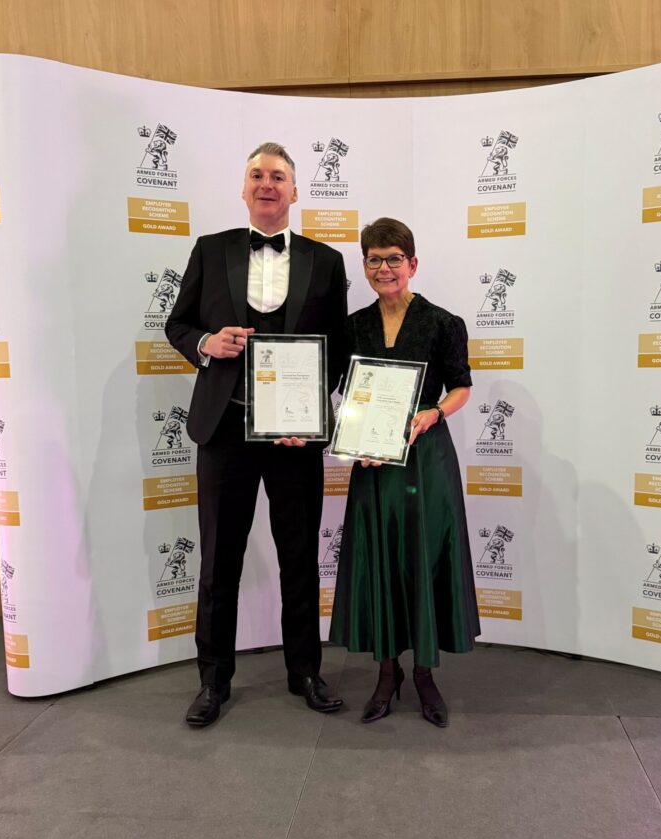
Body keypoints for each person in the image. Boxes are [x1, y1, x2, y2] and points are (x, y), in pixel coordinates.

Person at [166, 142, 347, 727]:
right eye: (257, 175)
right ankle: (213, 681)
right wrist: (204, 344)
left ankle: (306, 672)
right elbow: (177, 323)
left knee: (299, 555)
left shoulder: (327, 261)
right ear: (243, 189)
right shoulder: (210, 249)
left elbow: (339, 352)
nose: (267, 184)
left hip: (294, 437)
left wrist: (313, 416)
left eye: (279, 176)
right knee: (219, 559)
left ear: (295, 191)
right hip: (224, 428)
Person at [329, 218, 480, 727]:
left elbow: (461, 386)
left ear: (412, 264)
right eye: (374, 259)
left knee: (423, 557)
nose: (385, 268)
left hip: (426, 459)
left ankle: (424, 675)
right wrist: (352, 432)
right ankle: (387, 673)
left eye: (394, 258)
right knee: (380, 560)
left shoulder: (443, 323)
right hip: (373, 464)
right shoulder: (353, 326)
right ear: (365, 266)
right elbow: (344, 392)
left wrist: (435, 412)